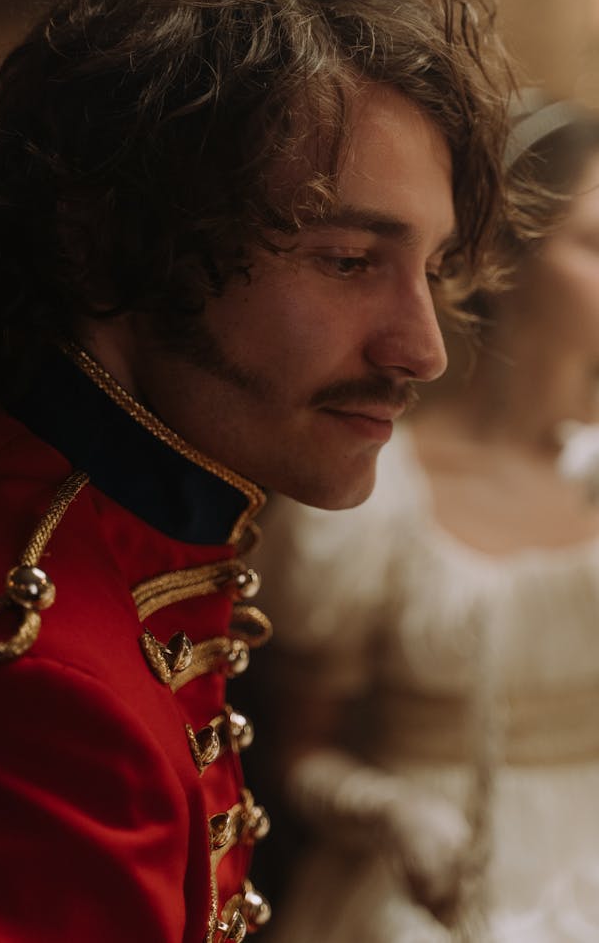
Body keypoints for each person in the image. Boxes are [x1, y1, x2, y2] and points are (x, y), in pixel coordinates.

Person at [0, 0, 517, 942]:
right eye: (347, 260)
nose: (421, 349)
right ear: (110, 240)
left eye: (429, 269)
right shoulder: (28, 682)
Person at [249, 90, 599, 941]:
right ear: (506, 263)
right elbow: (294, 749)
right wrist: (392, 814)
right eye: (598, 244)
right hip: (425, 892)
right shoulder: (374, 486)